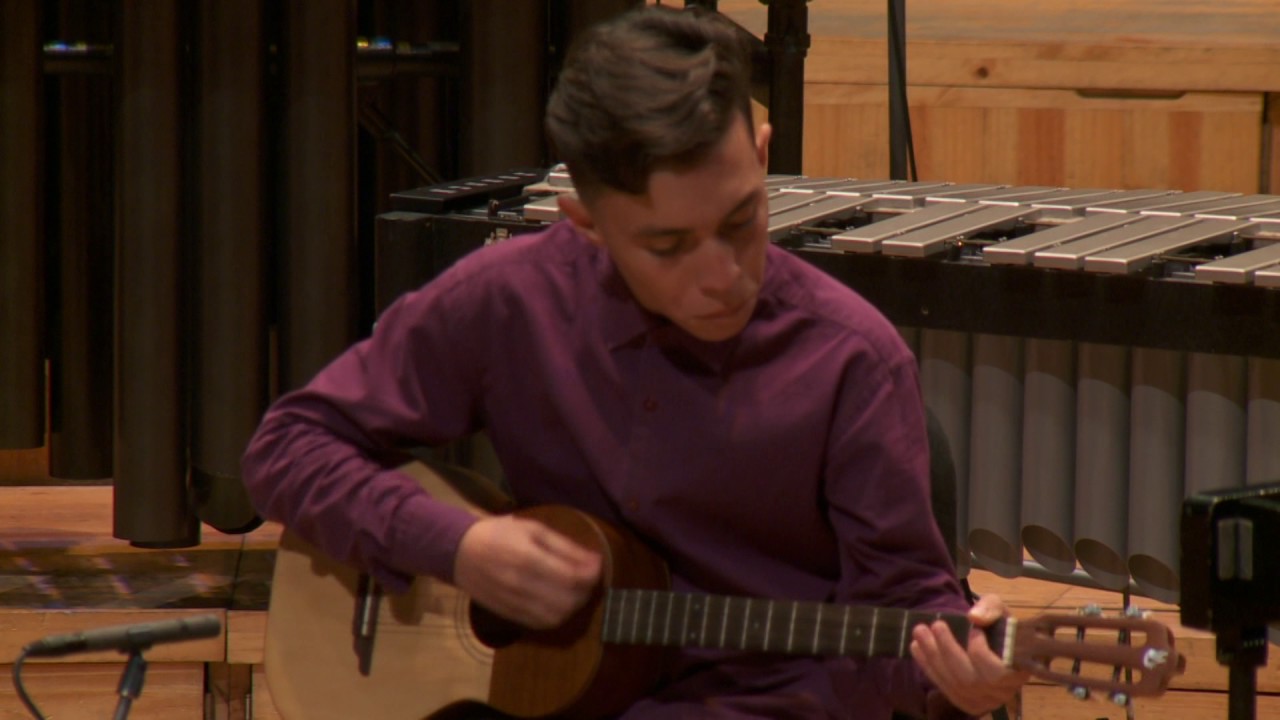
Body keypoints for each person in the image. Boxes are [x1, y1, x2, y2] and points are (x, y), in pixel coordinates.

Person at [241, 6, 1026, 718]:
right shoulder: (510, 299)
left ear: (759, 153)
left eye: (740, 219)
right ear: (584, 222)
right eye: (668, 246)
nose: (723, 275)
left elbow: (908, 612)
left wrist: (958, 678)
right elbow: (288, 448)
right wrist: (457, 547)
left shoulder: (854, 359)